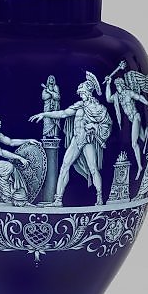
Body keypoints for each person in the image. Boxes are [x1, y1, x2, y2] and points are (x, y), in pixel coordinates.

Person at [29, 72, 112, 206]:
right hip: (76, 139)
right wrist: (44, 114)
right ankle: (58, 200)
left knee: (93, 168)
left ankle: (99, 198)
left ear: (88, 93)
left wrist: (94, 126)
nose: (80, 95)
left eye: (82, 93)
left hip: (87, 141)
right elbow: (63, 114)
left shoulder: (98, 109)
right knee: (64, 167)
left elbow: (106, 125)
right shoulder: (79, 105)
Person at [105, 75, 148, 180]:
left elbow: (139, 97)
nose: (117, 87)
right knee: (143, 138)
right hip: (132, 119)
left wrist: (147, 102)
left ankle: (140, 166)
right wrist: (108, 84)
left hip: (136, 117)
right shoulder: (117, 97)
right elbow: (108, 99)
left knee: (134, 143)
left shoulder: (128, 93)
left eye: (118, 85)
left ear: (122, 85)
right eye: (116, 86)